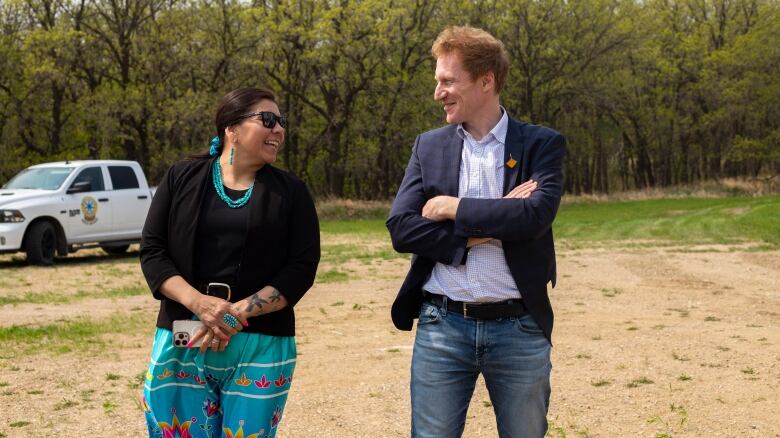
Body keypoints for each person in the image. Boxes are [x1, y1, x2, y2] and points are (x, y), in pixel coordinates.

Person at [386, 26, 566, 437]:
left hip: (519, 327)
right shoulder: (428, 146)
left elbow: (535, 217)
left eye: (448, 81)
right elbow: (401, 228)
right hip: (441, 326)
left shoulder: (542, 144)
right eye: (437, 82)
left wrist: (453, 208)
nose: (438, 92)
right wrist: (485, 228)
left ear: (486, 81)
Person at [139, 87, 320, 438]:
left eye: (281, 121)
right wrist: (200, 304)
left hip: (261, 342)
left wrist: (238, 313)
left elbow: (302, 266)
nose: (279, 129)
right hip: (184, 335)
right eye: (267, 119)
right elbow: (152, 251)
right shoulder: (181, 177)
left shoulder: (291, 191)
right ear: (231, 129)